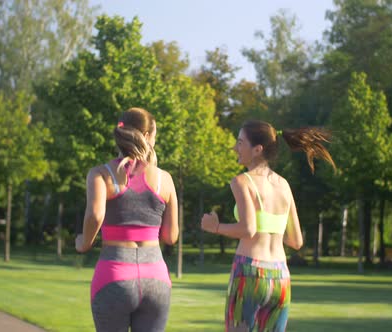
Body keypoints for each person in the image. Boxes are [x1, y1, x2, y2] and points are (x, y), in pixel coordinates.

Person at [201, 120, 335, 332]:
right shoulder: (283, 184)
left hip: (250, 273)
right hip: (281, 277)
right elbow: (296, 241)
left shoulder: (242, 181)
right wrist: (269, 227)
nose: (235, 148)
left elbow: (248, 229)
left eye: (240, 142)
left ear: (257, 149)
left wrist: (215, 227)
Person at [76, 107, 179, 332]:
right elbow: (171, 237)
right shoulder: (165, 179)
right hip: (156, 278)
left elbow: (95, 215)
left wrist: (84, 242)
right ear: (150, 136)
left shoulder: (101, 174)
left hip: (114, 274)